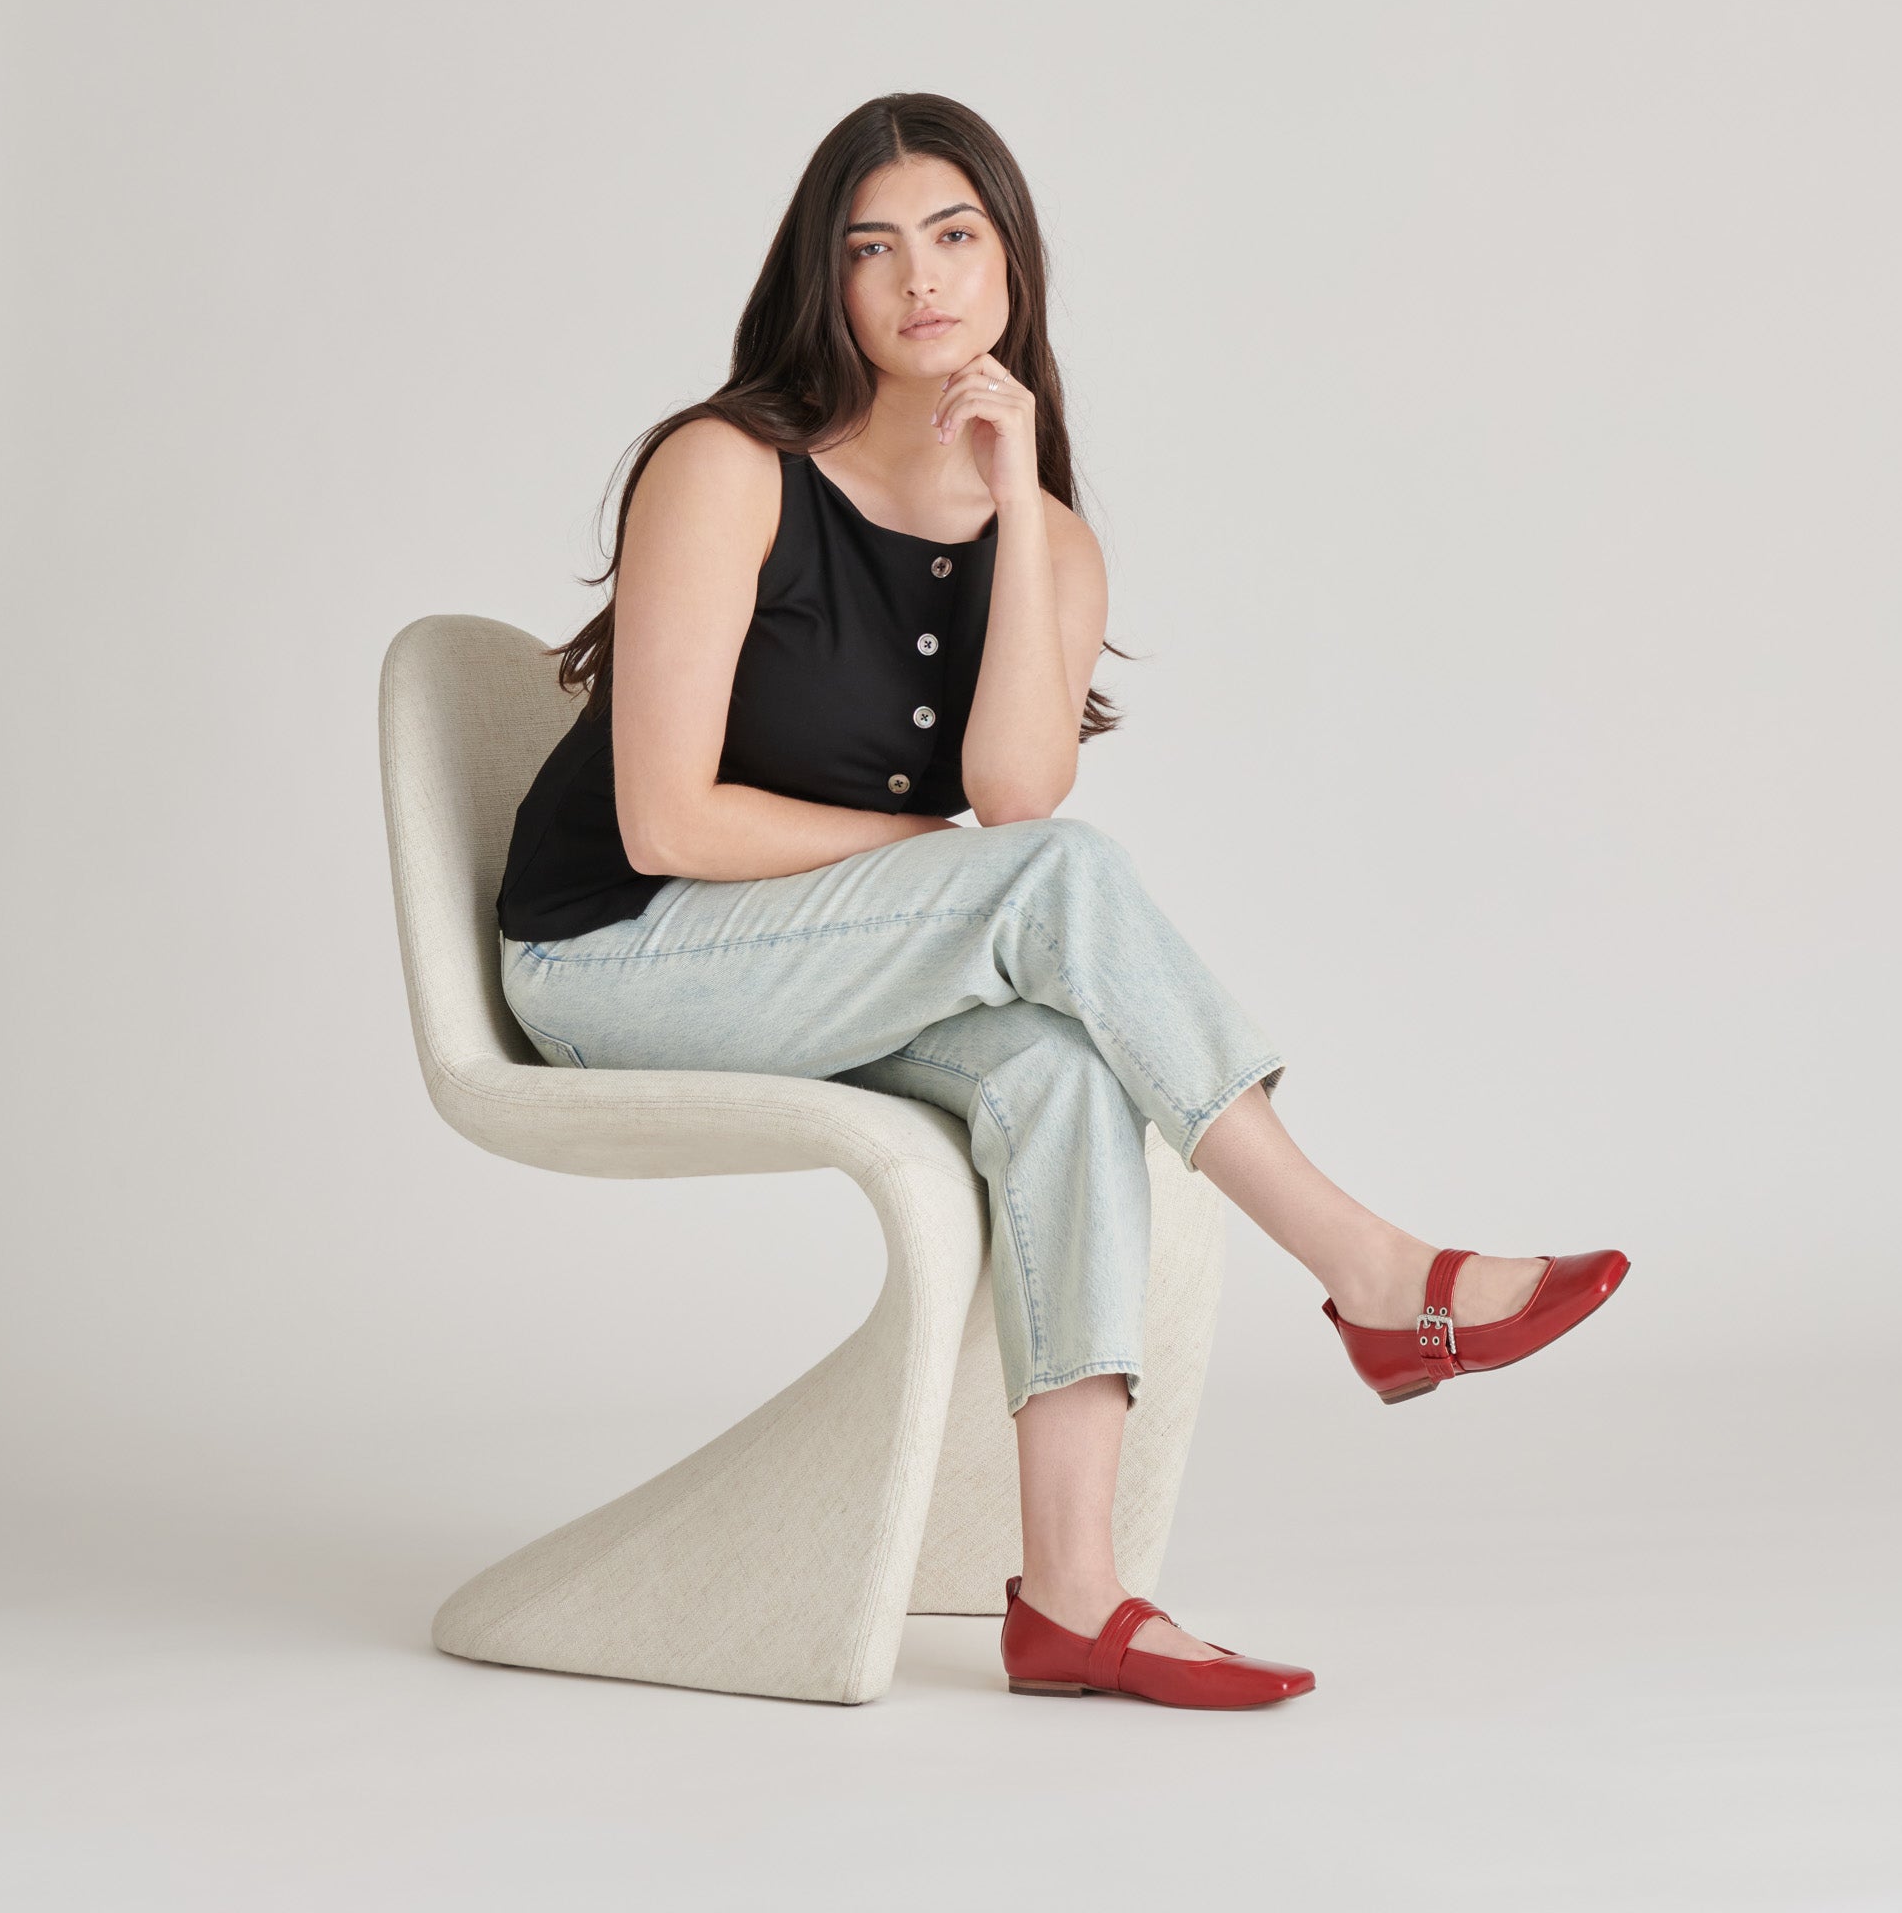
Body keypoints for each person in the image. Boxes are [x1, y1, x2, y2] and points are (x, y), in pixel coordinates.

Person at [493, 92, 1628, 1711]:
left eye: (955, 236)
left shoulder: (1055, 543)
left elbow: (1016, 793)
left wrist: (1015, 496)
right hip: (612, 961)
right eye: (872, 249)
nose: (920, 279)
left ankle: (1077, 1597)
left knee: (1064, 1065)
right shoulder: (726, 468)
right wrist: (932, 858)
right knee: (1061, 887)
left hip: (804, 968)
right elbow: (666, 818)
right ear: (826, 282)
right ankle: (1372, 1270)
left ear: (1011, 263)